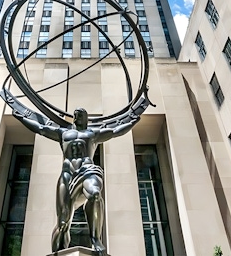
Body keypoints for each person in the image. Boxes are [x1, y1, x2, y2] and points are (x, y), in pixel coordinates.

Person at [12, 107, 139, 255]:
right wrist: (20, 118)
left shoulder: (93, 133)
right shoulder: (63, 133)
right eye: (75, 114)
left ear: (86, 118)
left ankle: (95, 238)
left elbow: (116, 131)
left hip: (87, 171)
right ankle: (57, 251)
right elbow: (40, 128)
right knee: (63, 223)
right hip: (67, 175)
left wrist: (134, 120)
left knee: (95, 195)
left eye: (80, 115)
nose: (76, 116)